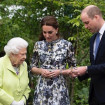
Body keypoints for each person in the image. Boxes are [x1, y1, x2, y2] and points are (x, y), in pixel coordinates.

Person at [30, 16, 76, 105]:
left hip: (59, 90)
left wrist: (60, 72)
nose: (47, 35)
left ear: (57, 30)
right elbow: (32, 67)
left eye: (50, 32)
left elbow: (74, 69)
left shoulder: (67, 45)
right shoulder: (38, 45)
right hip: (42, 90)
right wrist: (40, 71)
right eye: (44, 32)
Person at [71, 5, 105, 105]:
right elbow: (96, 66)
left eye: (87, 23)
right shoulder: (93, 39)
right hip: (95, 97)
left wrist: (87, 69)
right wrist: (79, 73)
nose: (85, 27)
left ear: (96, 17)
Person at [0, 37, 30, 105]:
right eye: (22, 54)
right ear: (12, 54)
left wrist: (23, 101)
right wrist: (12, 102)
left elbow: (27, 88)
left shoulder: (24, 65)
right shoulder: (1, 64)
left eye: (25, 54)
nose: (25, 57)